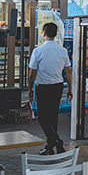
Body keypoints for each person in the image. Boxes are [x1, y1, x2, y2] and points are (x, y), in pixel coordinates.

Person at [28, 22, 73, 155]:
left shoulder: (38, 51)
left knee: (42, 117)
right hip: (58, 87)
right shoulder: (63, 50)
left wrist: (30, 88)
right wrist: (70, 88)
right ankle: (53, 145)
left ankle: (55, 142)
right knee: (53, 117)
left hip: (43, 88)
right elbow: (69, 71)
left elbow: (32, 73)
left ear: (44, 34)